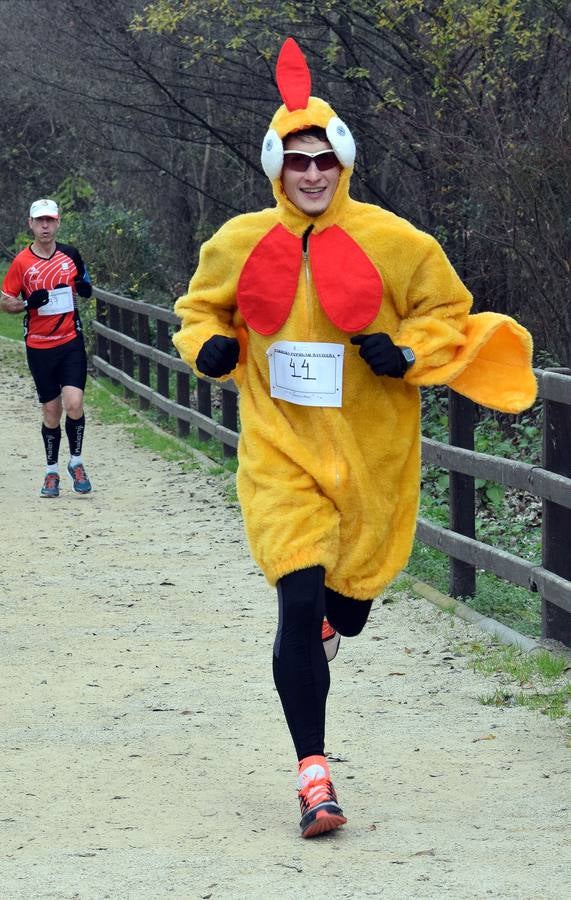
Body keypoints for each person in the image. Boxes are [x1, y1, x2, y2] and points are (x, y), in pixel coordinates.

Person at [173, 38, 537, 838]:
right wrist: (208, 348)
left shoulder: (397, 241)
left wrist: (405, 352)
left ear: (343, 165)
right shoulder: (236, 242)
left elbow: (446, 310)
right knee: (295, 601)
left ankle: (339, 622)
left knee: (349, 602)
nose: (310, 174)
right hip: (279, 448)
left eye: (323, 161)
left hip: (373, 454)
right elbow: (199, 310)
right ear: (275, 165)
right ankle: (314, 776)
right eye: (296, 161)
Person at [0, 198, 93, 498]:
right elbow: (5, 302)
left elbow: (83, 282)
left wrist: (85, 288)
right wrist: (28, 303)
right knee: (51, 413)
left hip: (70, 341)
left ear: (58, 222)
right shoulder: (22, 263)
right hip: (39, 347)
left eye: (50, 220)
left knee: (74, 403)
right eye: (39, 220)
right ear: (30, 223)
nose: (45, 225)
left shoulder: (70, 254)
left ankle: (76, 462)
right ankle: (51, 470)